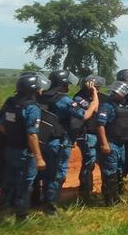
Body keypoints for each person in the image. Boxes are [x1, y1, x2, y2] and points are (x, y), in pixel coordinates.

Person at [39, 70, 99, 215]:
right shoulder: (62, 99)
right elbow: (84, 115)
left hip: (42, 140)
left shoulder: (42, 96)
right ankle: (51, 208)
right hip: (59, 142)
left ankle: (42, 201)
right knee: (58, 174)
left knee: (45, 173)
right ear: (63, 84)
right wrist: (94, 96)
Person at [0, 73, 49, 221]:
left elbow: (1, 126)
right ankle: (22, 217)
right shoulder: (32, 108)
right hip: (25, 153)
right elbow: (32, 134)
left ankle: (0, 213)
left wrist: (14, 137)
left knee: (8, 182)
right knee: (25, 185)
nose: (40, 91)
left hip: (10, 149)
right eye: (39, 89)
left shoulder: (11, 103)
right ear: (33, 90)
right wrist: (39, 158)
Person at [96, 81, 128, 205]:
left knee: (119, 171)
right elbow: (100, 125)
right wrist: (105, 144)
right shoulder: (107, 106)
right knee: (110, 172)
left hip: (121, 144)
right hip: (111, 143)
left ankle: (117, 196)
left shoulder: (124, 106)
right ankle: (109, 200)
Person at [72, 75, 105, 204]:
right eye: (97, 87)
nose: (99, 90)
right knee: (89, 163)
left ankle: (94, 191)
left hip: (95, 134)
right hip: (87, 135)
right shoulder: (80, 98)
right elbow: (95, 109)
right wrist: (94, 94)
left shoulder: (91, 97)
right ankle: (85, 193)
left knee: (99, 162)